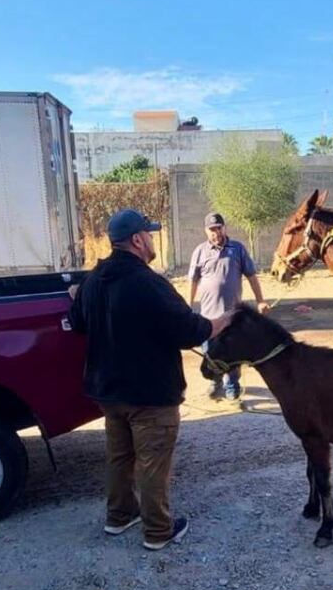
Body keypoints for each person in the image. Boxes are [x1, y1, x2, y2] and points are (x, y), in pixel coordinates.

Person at [68, 208, 230, 551]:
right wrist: (223, 322)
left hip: (108, 393)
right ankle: (158, 531)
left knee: (119, 457)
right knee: (152, 464)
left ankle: (119, 516)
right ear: (138, 240)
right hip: (150, 395)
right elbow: (189, 331)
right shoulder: (149, 282)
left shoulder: (92, 281)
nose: (152, 240)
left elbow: (78, 323)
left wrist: (79, 297)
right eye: (149, 234)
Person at [187, 212, 270, 400]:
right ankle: (215, 382)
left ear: (224, 228)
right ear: (206, 231)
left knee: (233, 352)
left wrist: (260, 301)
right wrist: (188, 305)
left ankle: (232, 385)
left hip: (232, 315)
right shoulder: (200, 251)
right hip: (208, 316)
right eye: (212, 229)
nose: (216, 232)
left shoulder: (238, 249)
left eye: (219, 228)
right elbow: (193, 281)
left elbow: (252, 277)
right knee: (209, 352)